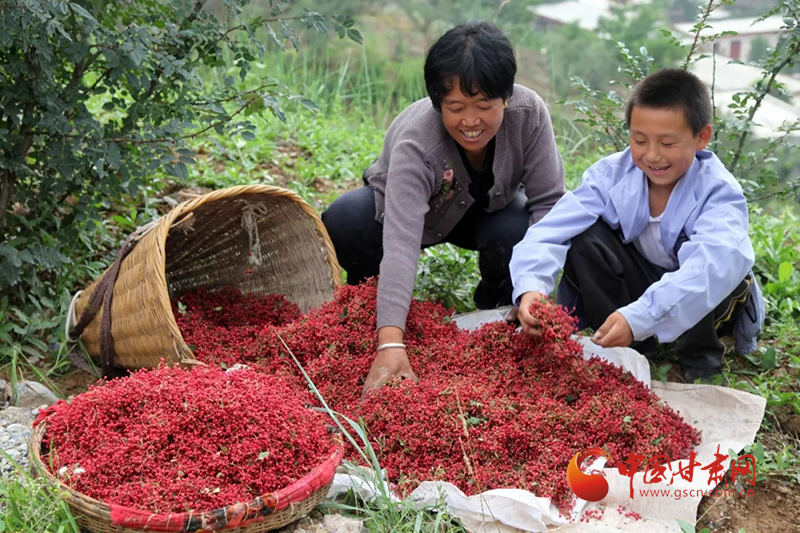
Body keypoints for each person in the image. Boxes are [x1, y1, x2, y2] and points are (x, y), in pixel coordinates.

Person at [321, 21, 566, 393]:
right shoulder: (417, 142)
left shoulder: (528, 114)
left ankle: (501, 306)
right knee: (347, 220)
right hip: (410, 216)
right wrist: (390, 343)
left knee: (517, 229)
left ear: (506, 97)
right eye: (455, 107)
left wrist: (533, 287)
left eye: (484, 106)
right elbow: (401, 243)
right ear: (438, 104)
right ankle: (377, 307)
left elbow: (549, 203)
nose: (470, 121)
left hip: (488, 211)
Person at [509, 68, 765, 383]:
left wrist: (640, 315)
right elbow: (551, 230)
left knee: (711, 273)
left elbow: (707, 271)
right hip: (646, 279)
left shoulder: (718, 193)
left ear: (702, 137)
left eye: (668, 143)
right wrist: (531, 287)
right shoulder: (612, 175)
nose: (652, 155)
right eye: (639, 140)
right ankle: (629, 340)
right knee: (585, 238)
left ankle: (700, 358)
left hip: (711, 290)